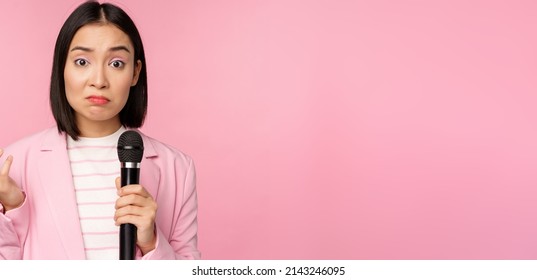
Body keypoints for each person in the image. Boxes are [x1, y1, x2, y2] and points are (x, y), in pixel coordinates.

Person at [0, 1, 200, 260]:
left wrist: (151, 243)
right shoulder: (12, 166)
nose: (99, 80)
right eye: (82, 61)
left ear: (135, 72)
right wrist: (14, 210)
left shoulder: (178, 169)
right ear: (62, 67)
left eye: (116, 63)